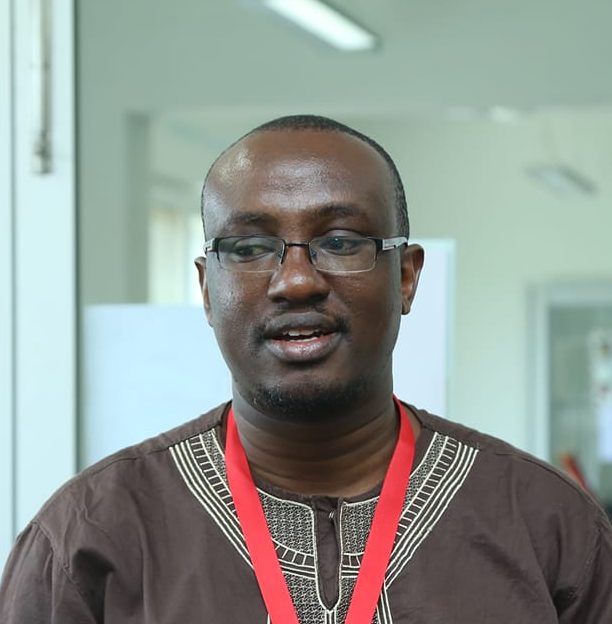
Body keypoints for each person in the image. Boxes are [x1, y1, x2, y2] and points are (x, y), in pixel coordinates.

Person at [1, 115, 611, 623]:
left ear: (406, 277)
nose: (295, 281)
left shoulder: (547, 524)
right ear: (207, 290)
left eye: (341, 242)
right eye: (248, 248)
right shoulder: (92, 535)